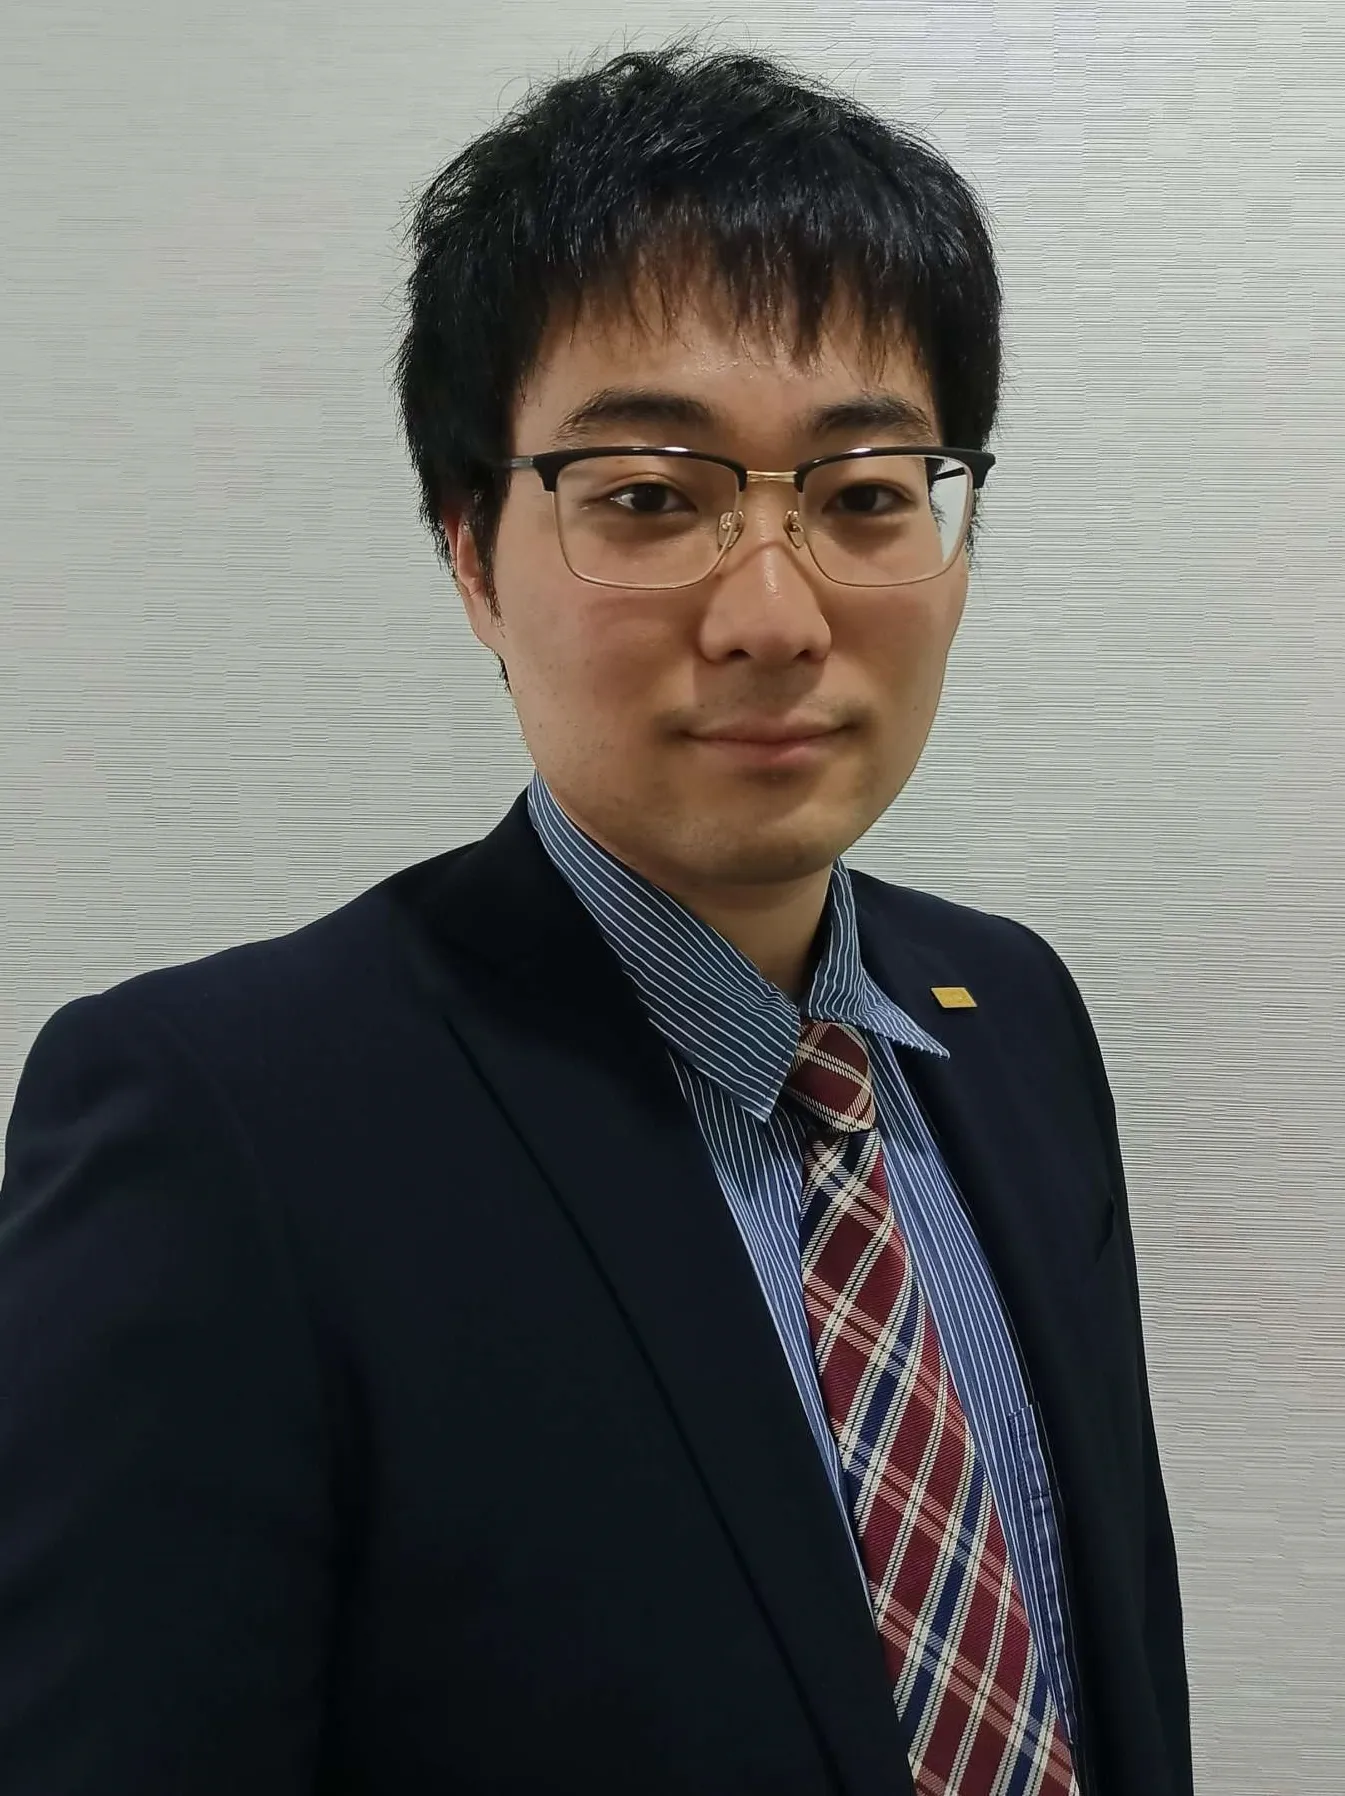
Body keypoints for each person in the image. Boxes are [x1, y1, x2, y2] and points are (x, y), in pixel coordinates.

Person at [0, 35, 1192, 1796]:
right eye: (649, 497)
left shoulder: (1010, 1016)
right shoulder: (220, 1126)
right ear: (469, 551)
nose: (775, 614)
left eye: (867, 495)